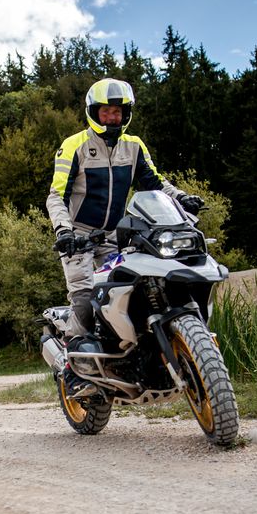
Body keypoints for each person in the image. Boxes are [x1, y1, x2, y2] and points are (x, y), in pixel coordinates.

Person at [46, 78, 204, 397]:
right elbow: (56, 195)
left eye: (117, 112)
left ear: (125, 114)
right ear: (94, 112)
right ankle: (72, 370)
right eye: (106, 112)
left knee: (129, 289)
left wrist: (182, 198)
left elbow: (154, 183)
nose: (112, 118)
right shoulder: (74, 145)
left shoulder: (134, 146)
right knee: (84, 295)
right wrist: (64, 231)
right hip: (79, 236)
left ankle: (132, 354)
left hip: (116, 236)